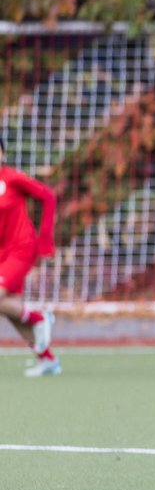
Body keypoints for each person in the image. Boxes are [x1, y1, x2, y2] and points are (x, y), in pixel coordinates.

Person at [0, 139, 60, 377]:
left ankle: (41, 318)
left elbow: (48, 197)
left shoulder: (13, 178)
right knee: (9, 308)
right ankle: (48, 361)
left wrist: (45, 238)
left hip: (21, 248)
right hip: (3, 253)